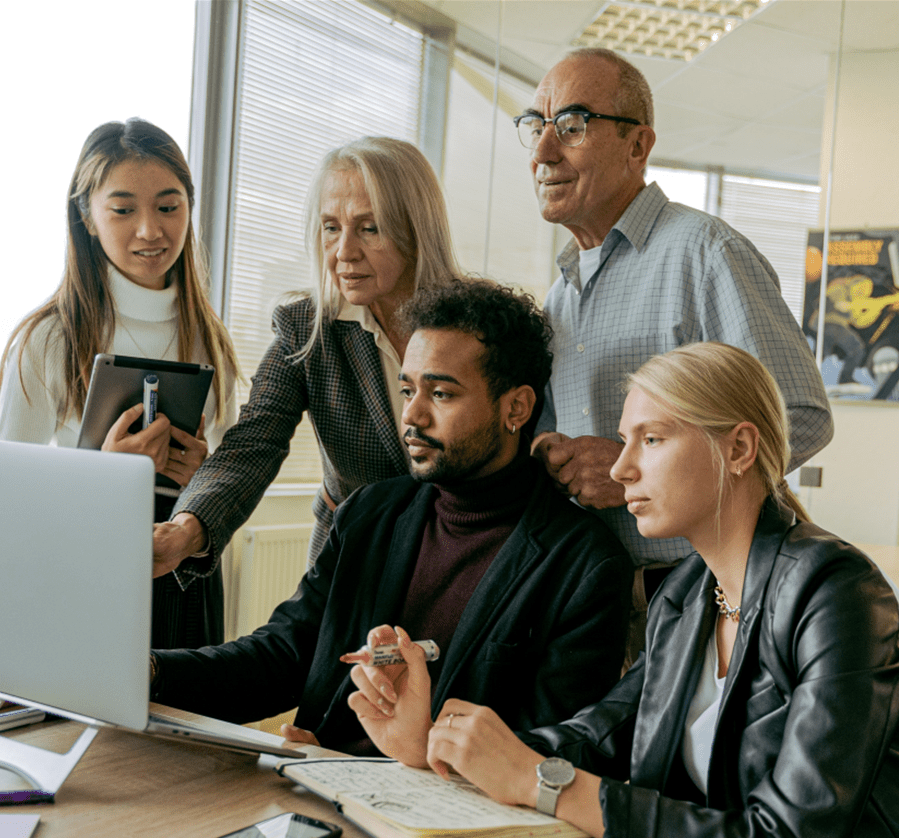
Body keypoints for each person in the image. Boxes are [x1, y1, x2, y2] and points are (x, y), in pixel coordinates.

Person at [349, 341, 899, 838]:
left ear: (738, 448)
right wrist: (435, 746)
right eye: (625, 439)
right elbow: (595, 736)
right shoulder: (687, 594)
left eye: (652, 439)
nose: (620, 468)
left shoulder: (837, 594)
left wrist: (544, 782)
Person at [150, 279, 632, 753]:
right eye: (407, 391)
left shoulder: (586, 566)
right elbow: (286, 653)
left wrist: (408, 755)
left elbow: (548, 749)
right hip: (316, 782)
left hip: (446, 817)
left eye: (441, 394)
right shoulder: (370, 513)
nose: (413, 416)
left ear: (517, 407)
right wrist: (150, 673)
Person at [517, 48, 834, 659]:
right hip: (600, 604)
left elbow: (802, 416)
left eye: (573, 126)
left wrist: (646, 471)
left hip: (710, 597)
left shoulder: (706, 254)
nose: (542, 153)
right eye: (536, 126)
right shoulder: (559, 296)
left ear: (638, 145)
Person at [152, 136, 464, 587]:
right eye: (331, 227)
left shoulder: (476, 323)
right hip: (352, 560)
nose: (343, 252)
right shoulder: (308, 328)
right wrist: (185, 529)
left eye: (369, 227)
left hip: (460, 562)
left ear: (416, 229)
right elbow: (254, 441)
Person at [0, 118, 238, 649]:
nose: (150, 230)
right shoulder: (47, 338)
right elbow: (9, 500)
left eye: (169, 207)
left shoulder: (210, 338)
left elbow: (232, 471)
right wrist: (103, 476)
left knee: (187, 727)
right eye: (124, 209)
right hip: (83, 569)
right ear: (86, 215)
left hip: (186, 575)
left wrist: (202, 477)